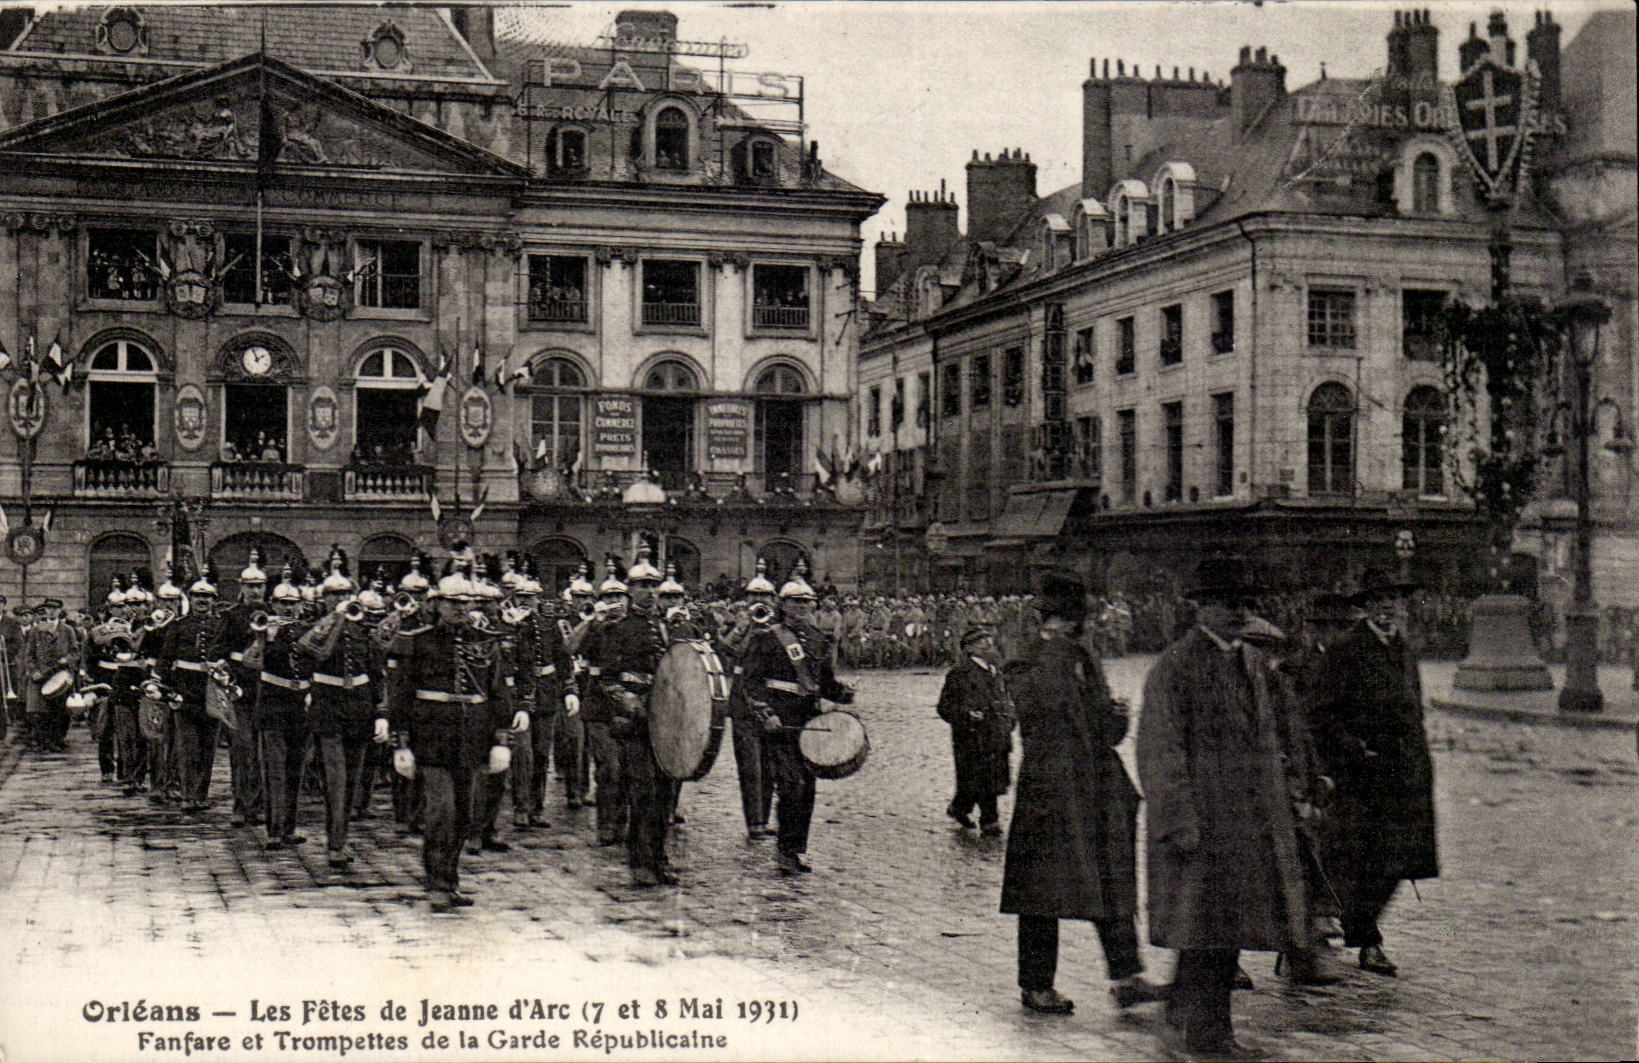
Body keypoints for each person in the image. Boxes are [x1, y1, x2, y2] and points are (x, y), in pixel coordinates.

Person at [1138, 556, 1311, 1060]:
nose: (1238, 613)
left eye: (1243, 604)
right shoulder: (1175, 667)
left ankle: (1195, 1027)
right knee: (1204, 932)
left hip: (1248, 822)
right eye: (1227, 604)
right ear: (1202, 608)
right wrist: (1179, 821)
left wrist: (1286, 794)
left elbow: (1270, 733)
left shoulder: (1251, 663)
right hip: (1201, 823)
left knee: (1225, 930)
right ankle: (1201, 1034)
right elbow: (1160, 749)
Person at [1001, 575, 1164, 1016]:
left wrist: (1117, 716)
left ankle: (1127, 976)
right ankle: (1036, 985)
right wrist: (1059, 652)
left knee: (1111, 876)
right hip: (1051, 787)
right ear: (1063, 621)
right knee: (1042, 889)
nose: (1084, 629)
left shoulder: (1081, 656)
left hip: (1095, 784)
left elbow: (1104, 730)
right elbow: (1040, 710)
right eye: (1076, 621)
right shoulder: (1033, 659)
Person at [1307, 567, 1439, 978]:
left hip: (1405, 774)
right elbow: (1321, 713)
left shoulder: (1404, 650)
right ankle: (1366, 940)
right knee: (1366, 859)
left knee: (1399, 861)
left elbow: (1413, 710)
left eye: (1393, 600)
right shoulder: (1347, 650)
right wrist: (1355, 749)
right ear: (1364, 607)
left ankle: (1356, 926)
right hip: (1363, 776)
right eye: (1377, 600)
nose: (1387, 607)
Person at [383, 559, 517, 912]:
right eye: (452, 603)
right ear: (436, 604)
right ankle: (437, 883)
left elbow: (499, 693)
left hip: (472, 739)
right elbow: (400, 696)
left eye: (465, 603)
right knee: (441, 812)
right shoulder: (417, 642)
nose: (460, 609)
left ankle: (451, 879)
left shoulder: (488, 642)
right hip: (431, 740)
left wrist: (501, 740)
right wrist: (402, 744)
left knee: (466, 815)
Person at [741, 569, 854, 874]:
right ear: (783, 605)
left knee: (807, 789)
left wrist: (842, 692)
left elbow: (824, 682)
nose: (802, 608)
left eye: (807, 603)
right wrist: (766, 714)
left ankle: (798, 848)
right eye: (795, 603)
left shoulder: (819, 639)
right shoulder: (767, 637)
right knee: (791, 785)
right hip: (780, 721)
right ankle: (786, 850)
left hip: (809, 723)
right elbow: (751, 682)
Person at [295, 564, 382, 868]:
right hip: (328, 708)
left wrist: (379, 711)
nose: (340, 599)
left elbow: (374, 672)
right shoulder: (316, 628)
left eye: (345, 594)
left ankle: (340, 838)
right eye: (334, 595)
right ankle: (335, 844)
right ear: (324, 599)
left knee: (353, 780)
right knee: (336, 778)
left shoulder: (363, 630)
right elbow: (306, 660)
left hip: (358, 709)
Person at [598, 547, 674, 886]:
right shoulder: (619, 628)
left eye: (653, 586)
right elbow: (608, 679)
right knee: (642, 791)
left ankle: (659, 858)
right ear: (630, 590)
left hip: (665, 719)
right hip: (634, 721)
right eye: (642, 586)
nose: (649, 592)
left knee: (665, 793)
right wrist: (628, 704)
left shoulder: (669, 627)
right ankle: (640, 861)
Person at [244, 580, 311, 850]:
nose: (287, 608)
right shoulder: (265, 630)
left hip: (300, 706)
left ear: (300, 606)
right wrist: (263, 637)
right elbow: (251, 662)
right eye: (282, 603)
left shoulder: (307, 630)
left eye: (292, 603)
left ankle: (289, 827)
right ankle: (273, 829)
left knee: (296, 769)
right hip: (273, 706)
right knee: (274, 770)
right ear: (273, 604)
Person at [935, 625, 1014, 835]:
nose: (989, 644)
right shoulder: (960, 674)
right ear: (969, 648)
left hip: (996, 733)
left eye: (989, 639)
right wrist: (966, 714)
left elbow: (1006, 699)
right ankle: (990, 820)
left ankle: (960, 807)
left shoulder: (995, 671)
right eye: (982, 641)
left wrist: (1010, 718)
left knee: (989, 777)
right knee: (980, 777)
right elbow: (944, 707)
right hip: (971, 736)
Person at [155, 575, 224, 813]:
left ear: (214, 600)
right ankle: (187, 794)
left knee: (208, 747)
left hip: (212, 692)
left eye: (207, 596)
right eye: (197, 596)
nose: (202, 601)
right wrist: (161, 685)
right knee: (187, 746)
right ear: (190, 599)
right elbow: (166, 658)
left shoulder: (220, 625)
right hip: (184, 692)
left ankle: (201, 794)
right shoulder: (178, 625)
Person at [722, 560, 778, 841]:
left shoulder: (780, 626)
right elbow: (729, 654)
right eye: (753, 596)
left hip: (773, 704)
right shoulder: (737, 622)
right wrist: (744, 628)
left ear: (774, 599)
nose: (759, 600)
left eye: (764, 596)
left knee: (769, 766)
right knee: (750, 766)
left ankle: (765, 819)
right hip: (744, 702)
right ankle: (753, 821)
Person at [22, 598, 78, 753]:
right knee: (39, 712)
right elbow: (29, 654)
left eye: (55, 609)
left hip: (60, 676)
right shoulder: (36, 630)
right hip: (41, 676)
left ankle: (57, 739)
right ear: (45, 611)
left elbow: (75, 652)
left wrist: (66, 659)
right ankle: (42, 741)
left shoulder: (67, 630)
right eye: (48, 608)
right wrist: (34, 671)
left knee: (60, 711)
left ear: (60, 610)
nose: (51, 611)